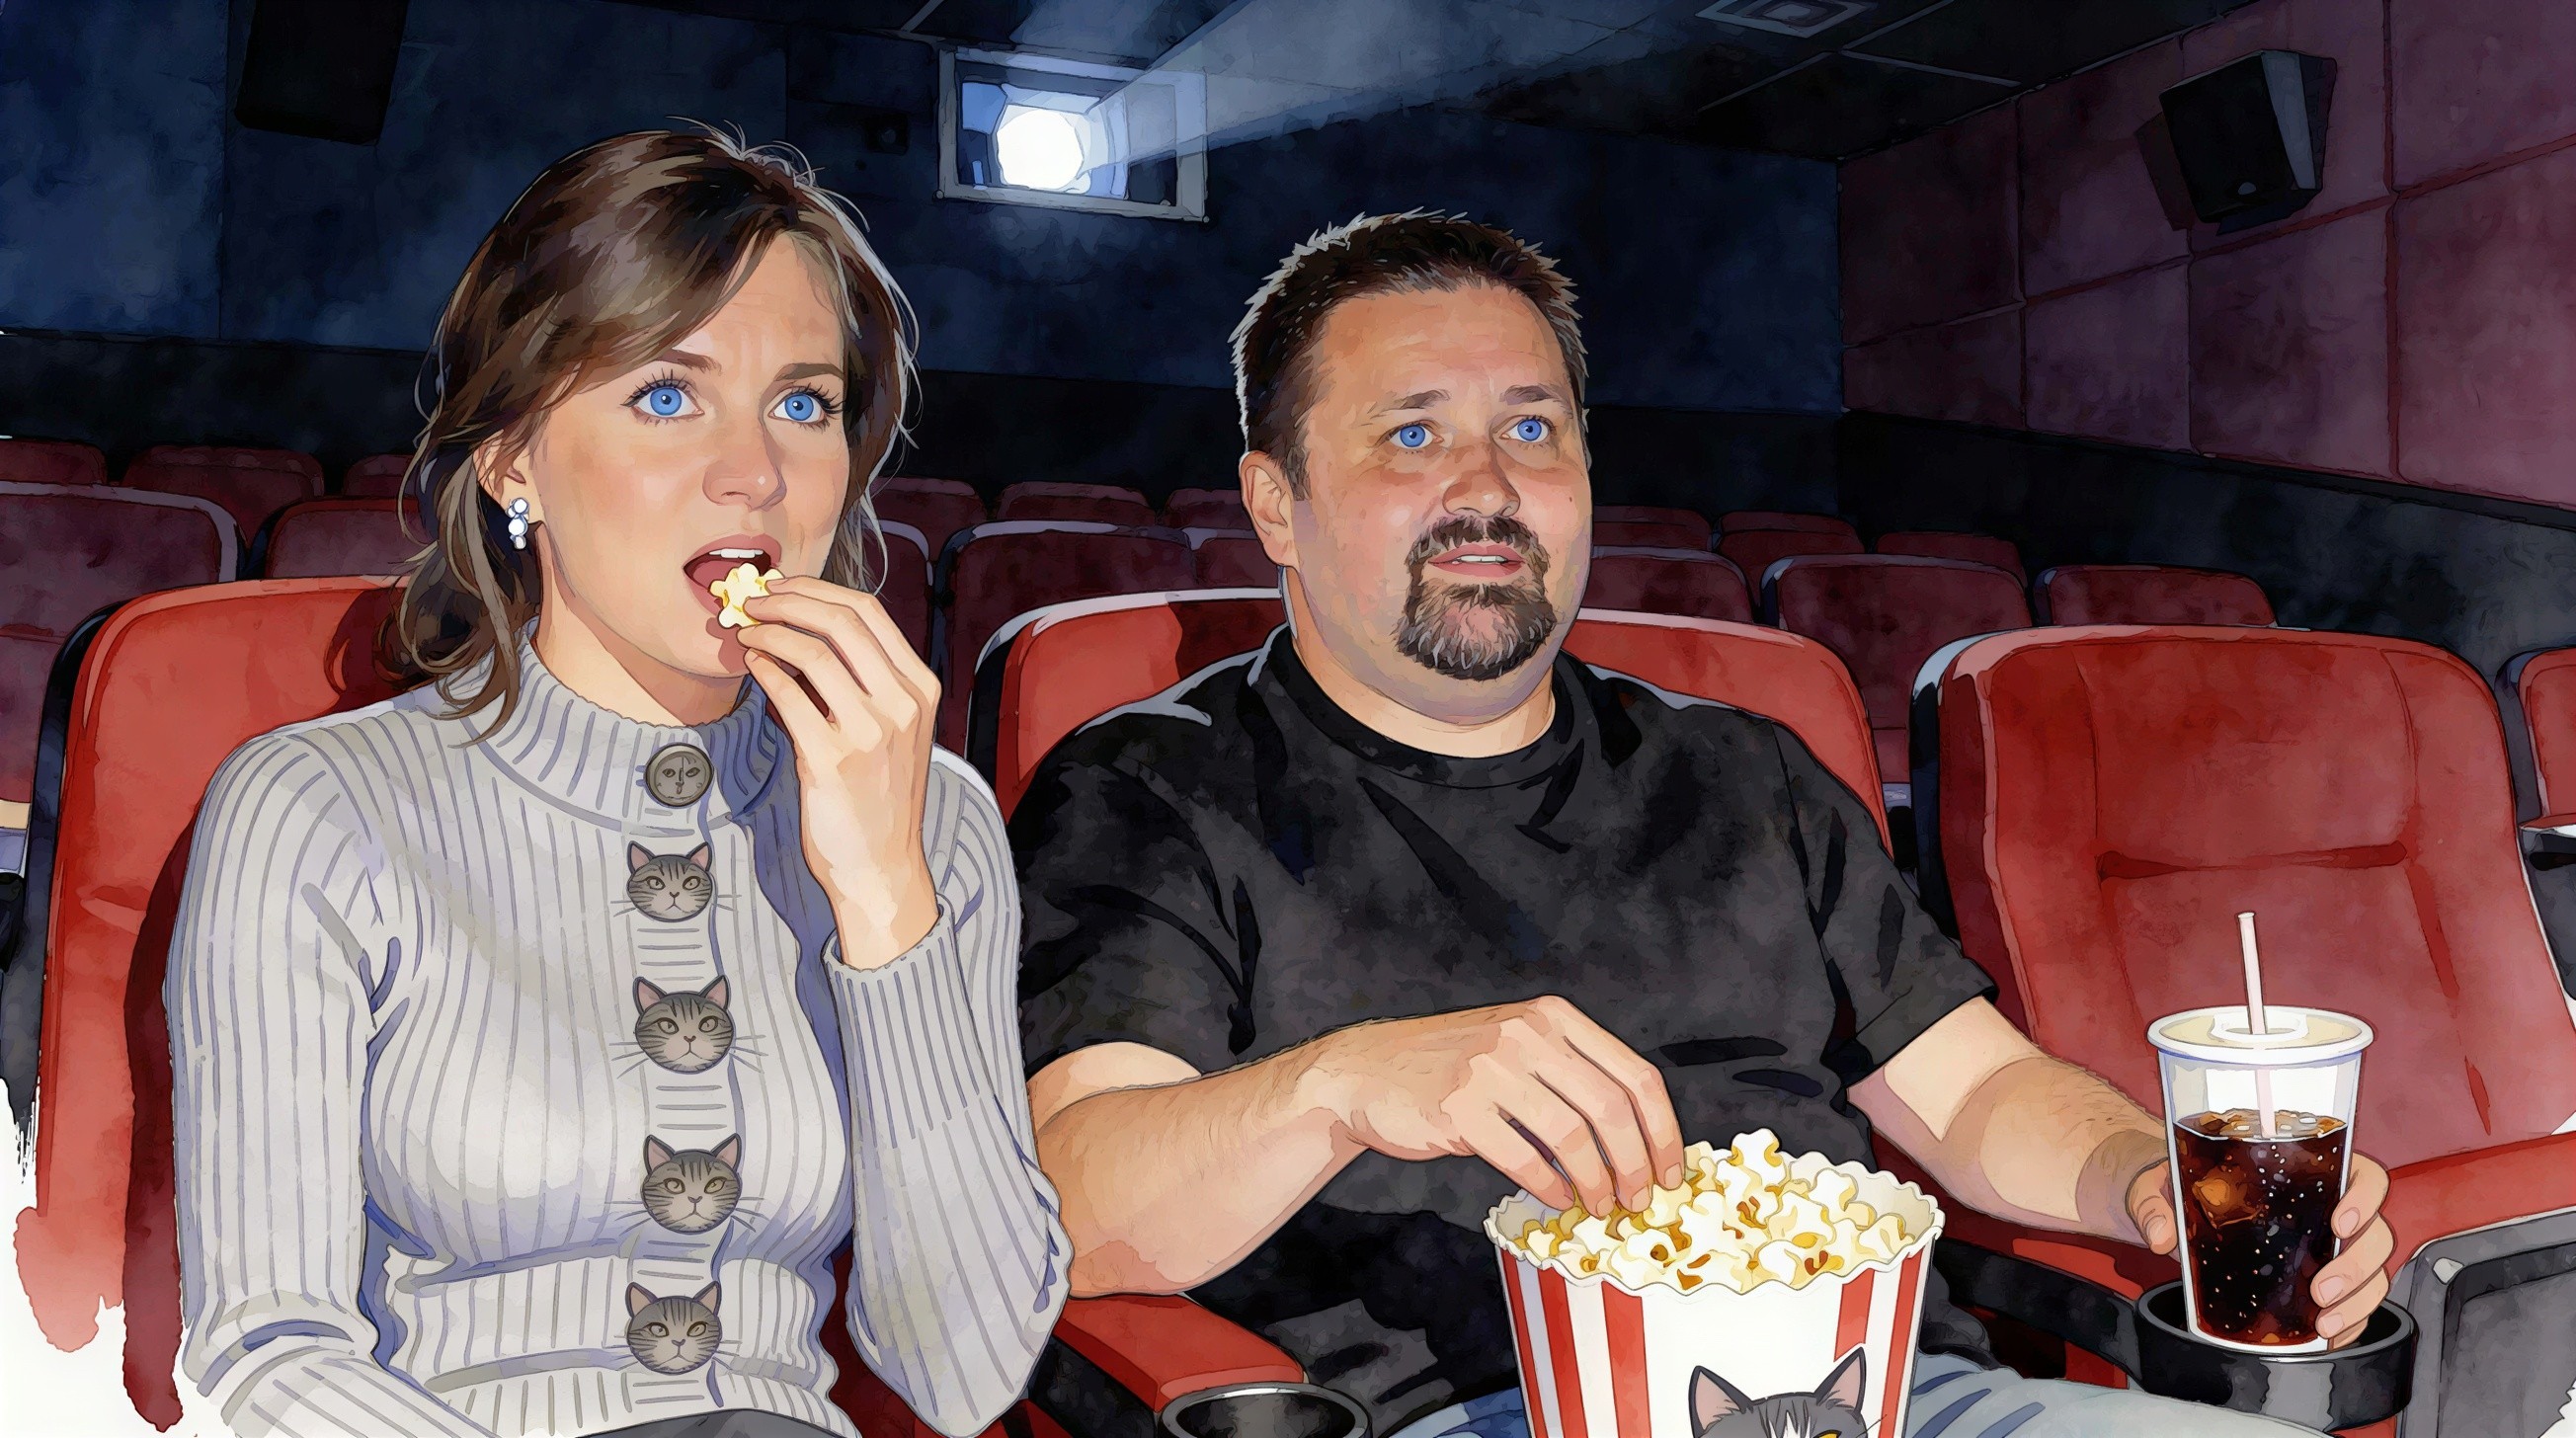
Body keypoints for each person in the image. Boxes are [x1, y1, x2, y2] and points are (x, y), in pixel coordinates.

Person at [1011, 212, 2394, 1438]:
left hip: (1898, 1396)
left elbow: (1970, 1090)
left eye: (1534, 428)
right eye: (1413, 433)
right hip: (1481, 1411)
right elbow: (1072, 1206)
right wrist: (1337, 1085)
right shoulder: (1151, 788)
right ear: (1278, 505)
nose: (1488, 485)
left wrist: (2140, 1179)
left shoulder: (1748, 770)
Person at [166, 129, 1067, 1438]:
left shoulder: (933, 824)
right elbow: (269, 1352)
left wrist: (885, 899)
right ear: (513, 459)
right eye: (665, 395)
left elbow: (969, 1370)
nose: (755, 474)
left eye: (804, 405)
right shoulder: (314, 804)